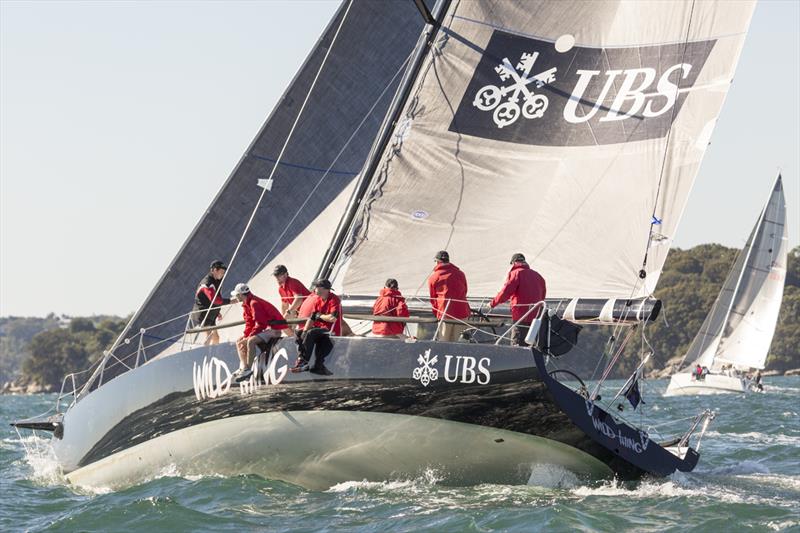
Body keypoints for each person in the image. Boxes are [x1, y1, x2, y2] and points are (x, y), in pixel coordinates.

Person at [230, 283, 287, 380]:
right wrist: (245, 336)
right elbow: (250, 323)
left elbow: (261, 324)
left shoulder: (254, 303)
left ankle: (248, 369)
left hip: (275, 329)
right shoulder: (247, 304)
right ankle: (243, 368)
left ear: (240, 295)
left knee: (251, 341)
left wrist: (248, 338)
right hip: (267, 328)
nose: (235, 297)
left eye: (236, 295)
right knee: (239, 341)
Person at [487, 253, 546, 346]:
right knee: (531, 344)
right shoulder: (538, 276)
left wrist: (492, 303)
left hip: (520, 316)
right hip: (535, 316)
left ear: (514, 263)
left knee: (517, 343)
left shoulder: (515, 273)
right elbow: (542, 296)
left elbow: (505, 292)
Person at [292, 279, 341, 374]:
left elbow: (332, 318)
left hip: (330, 330)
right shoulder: (318, 300)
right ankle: (300, 359)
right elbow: (312, 318)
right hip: (319, 329)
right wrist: (304, 332)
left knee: (311, 333)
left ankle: (304, 362)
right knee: (299, 332)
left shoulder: (334, 299)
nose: (314, 289)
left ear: (323, 289)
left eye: (316, 287)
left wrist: (320, 316)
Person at [428, 250, 470, 342]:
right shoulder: (461, 274)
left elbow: (433, 299)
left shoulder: (434, 277)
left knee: (444, 342)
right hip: (462, 312)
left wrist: (437, 313)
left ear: (438, 262)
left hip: (445, 313)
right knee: (459, 343)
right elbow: (465, 291)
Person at [191, 260, 230, 345]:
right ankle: (204, 354)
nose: (223, 274)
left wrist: (217, 311)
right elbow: (215, 300)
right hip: (203, 314)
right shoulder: (207, 283)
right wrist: (230, 301)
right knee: (209, 336)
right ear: (214, 270)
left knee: (216, 337)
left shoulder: (217, 279)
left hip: (211, 312)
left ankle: (214, 353)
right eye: (222, 272)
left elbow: (218, 295)